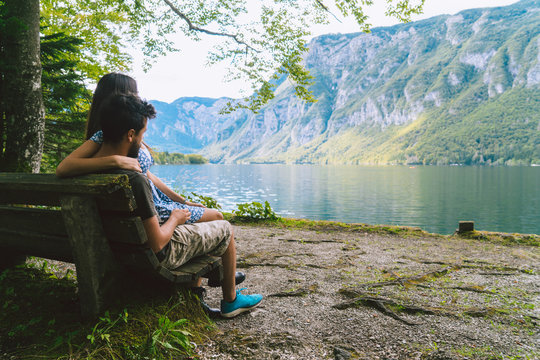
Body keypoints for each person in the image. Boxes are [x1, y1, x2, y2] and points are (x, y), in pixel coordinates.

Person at [90, 93, 262, 317]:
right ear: (131, 135)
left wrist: (179, 204)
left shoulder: (94, 169)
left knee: (204, 220)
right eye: (143, 134)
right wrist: (175, 219)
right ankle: (231, 300)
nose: (144, 141)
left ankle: (202, 288)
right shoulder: (135, 180)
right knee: (225, 228)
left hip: (122, 247)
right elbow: (158, 244)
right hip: (158, 256)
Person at [56, 73, 222, 224]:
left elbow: (148, 175)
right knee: (217, 217)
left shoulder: (124, 138)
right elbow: (64, 168)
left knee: (213, 216)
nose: (137, 97)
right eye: (133, 93)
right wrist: (115, 161)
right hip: (152, 211)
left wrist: (182, 201)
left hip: (154, 205)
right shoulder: (104, 138)